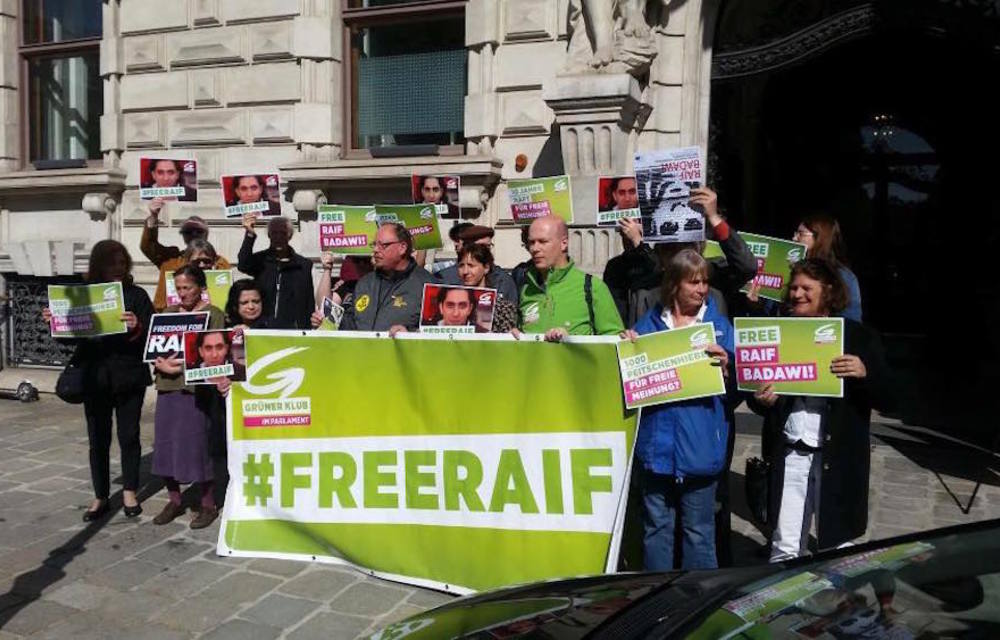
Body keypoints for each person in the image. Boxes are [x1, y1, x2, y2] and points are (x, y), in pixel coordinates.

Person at [749, 258, 892, 562]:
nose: (797, 294)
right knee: (785, 545)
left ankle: (838, 607)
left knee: (837, 547)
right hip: (790, 451)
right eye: (794, 288)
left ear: (827, 291)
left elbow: (889, 397)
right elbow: (756, 395)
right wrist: (762, 399)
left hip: (837, 455)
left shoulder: (858, 337)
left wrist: (864, 373)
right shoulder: (780, 333)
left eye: (806, 288)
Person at [621, 248, 736, 570]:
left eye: (705, 282)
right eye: (694, 282)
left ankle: (700, 599)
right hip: (657, 447)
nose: (702, 289)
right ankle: (656, 596)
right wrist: (628, 344)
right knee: (656, 529)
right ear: (674, 284)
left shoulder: (720, 326)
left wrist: (730, 365)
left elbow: (742, 386)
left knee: (698, 532)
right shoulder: (650, 323)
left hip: (699, 448)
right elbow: (632, 377)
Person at [42, 240, 153, 521]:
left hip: (129, 376)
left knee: (129, 436)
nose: (117, 267)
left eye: (121, 262)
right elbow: (68, 339)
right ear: (98, 266)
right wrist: (55, 321)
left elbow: (154, 337)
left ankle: (129, 491)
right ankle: (101, 495)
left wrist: (137, 327)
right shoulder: (82, 295)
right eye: (111, 262)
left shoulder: (137, 295)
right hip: (95, 377)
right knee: (98, 439)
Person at [603, 186, 756, 327]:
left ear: (698, 245)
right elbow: (619, 279)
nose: (679, 252)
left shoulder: (712, 275)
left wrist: (714, 218)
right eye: (670, 245)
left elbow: (746, 267)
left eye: (687, 244)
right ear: (660, 249)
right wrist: (635, 248)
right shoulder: (644, 281)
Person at [150, 265, 225, 530]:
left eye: (188, 288)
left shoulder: (213, 315)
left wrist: (180, 366)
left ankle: (208, 504)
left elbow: (216, 353)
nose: (182, 294)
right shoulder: (167, 314)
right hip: (168, 387)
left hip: (195, 391)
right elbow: (154, 350)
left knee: (197, 447)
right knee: (165, 444)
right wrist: (160, 365)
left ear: (200, 287)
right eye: (179, 288)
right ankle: (174, 499)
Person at [517, 215, 624, 340]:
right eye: (531, 242)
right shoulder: (526, 289)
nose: (535, 248)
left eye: (543, 242)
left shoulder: (592, 286)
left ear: (564, 243)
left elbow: (613, 339)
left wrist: (571, 340)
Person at [340, 222, 433, 332]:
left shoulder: (425, 284)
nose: (375, 250)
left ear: (402, 248)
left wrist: (409, 333)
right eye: (374, 245)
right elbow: (349, 324)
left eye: (382, 245)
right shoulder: (365, 283)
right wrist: (329, 321)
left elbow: (435, 330)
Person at [141, 208, 231, 312]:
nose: (194, 234)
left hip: (210, 314)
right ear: (183, 235)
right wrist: (153, 216)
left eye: (199, 231)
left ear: (206, 234)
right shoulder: (171, 259)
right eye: (188, 232)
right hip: (171, 315)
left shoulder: (218, 261)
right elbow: (148, 247)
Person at [238, 215, 314, 329]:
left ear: (289, 236)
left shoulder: (303, 264)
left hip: (293, 329)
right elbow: (243, 264)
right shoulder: (261, 260)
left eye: (282, 233)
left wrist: (308, 329)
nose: (278, 237)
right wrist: (249, 234)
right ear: (269, 235)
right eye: (274, 233)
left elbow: (308, 300)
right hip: (263, 326)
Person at [793, 213, 862, 322]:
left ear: (820, 237)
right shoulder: (790, 269)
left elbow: (851, 324)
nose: (794, 238)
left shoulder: (844, 277)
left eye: (801, 234)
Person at [436, 225, 519, 304]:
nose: (486, 251)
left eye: (488, 246)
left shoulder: (503, 280)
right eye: (481, 246)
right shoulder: (444, 279)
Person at [456, 244, 518, 332]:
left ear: (486, 268)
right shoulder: (452, 302)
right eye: (461, 265)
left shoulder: (502, 308)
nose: (465, 271)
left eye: (471, 265)